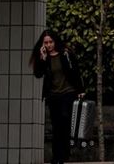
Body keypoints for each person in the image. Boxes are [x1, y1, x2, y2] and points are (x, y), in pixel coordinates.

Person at [30, 30, 85, 164]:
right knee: (56, 126)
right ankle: (57, 157)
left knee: (64, 121)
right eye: (46, 43)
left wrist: (80, 89)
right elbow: (38, 74)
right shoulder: (44, 57)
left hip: (68, 92)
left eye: (50, 42)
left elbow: (75, 71)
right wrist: (42, 59)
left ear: (55, 41)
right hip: (53, 95)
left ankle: (64, 154)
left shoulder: (66, 54)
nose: (49, 45)